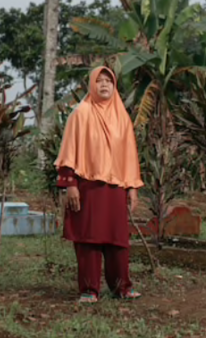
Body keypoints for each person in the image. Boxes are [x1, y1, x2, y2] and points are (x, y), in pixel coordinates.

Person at [54, 66, 143, 303]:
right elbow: (68, 152)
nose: (104, 85)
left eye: (109, 81)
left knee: (118, 240)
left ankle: (121, 287)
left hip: (115, 189)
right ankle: (89, 290)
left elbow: (129, 156)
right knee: (88, 239)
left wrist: (132, 188)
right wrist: (70, 184)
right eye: (99, 81)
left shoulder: (121, 117)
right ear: (92, 85)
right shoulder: (81, 113)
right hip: (87, 188)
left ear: (114, 86)